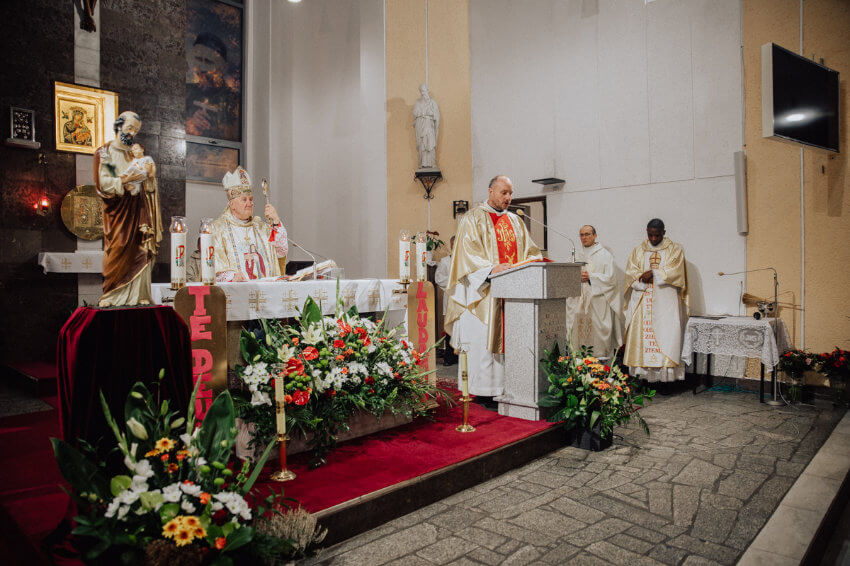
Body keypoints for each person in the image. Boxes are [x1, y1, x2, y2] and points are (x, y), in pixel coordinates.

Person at [444, 176, 542, 407]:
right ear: (490, 191)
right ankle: (483, 391)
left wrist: (534, 261)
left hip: (512, 295)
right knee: (482, 343)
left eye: (510, 193)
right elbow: (466, 255)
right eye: (503, 193)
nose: (508, 198)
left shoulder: (516, 221)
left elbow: (531, 251)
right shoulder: (472, 219)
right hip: (482, 294)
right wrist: (490, 270)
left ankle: (508, 387)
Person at [94, 111, 163, 307]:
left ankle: (139, 293)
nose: (132, 133)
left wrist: (149, 178)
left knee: (141, 250)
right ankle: (112, 294)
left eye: (136, 130)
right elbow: (104, 183)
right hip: (118, 213)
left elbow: (148, 184)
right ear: (118, 126)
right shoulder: (105, 153)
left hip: (138, 211)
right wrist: (126, 180)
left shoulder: (133, 154)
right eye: (129, 128)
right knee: (116, 249)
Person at [623, 218, 689, 387]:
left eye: (657, 235)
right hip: (643, 301)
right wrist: (642, 279)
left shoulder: (675, 250)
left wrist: (653, 273)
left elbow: (676, 272)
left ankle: (665, 382)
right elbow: (631, 273)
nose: (653, 239)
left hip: (665, 302)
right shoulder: (638, 251)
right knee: (642, 338)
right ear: (646, 231)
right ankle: (643, 379)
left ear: (664, 233)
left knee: (666, 336)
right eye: (650, 235)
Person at [212, 166, 288, 282]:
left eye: (251, 199)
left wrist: (276, 222)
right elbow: (216, 265)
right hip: (236, 293)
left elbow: (280, 252)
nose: (249, 203)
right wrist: (232, 277)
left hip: (265, 293)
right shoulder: (218, 228)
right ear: (232, 204)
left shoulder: (261, 227)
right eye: (244, 200)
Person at [566, 225, 623, 358]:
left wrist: (591, 277)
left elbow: (611, 279)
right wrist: (575, 277)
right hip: (579, 302)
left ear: (595, 235)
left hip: (597, 304)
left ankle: (601, 372)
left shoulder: (604, 255)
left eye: (587, 234)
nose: (584, 238)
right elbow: (568, 275)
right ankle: (579, 372)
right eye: (581, 235)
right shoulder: (576, 255)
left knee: (598, 340)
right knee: (578, 338)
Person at [434, 236, 458, 366]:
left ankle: (461, 356)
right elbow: (439, 278)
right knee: (450, 327)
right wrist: (453, 283)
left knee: (463, 327)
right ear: (451, 245)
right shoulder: (445, 261)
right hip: (451, 297)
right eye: (453, 244)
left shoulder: (466, 260)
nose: (455, 246)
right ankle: (449, 357)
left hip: (463, 299)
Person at [413, 84, 440, 169]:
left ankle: (432, 163)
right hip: (421, 126)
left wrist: (430, 114)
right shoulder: (418, 102)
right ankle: (421, 163)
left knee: (430, 143)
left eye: (424, 91)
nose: (423, 93)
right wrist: (423, 113)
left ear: (427, 91)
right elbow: (415, 113)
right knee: (422, 144)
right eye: (421, 91)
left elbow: (436, 115)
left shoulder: (433, 102)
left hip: (429, 126)